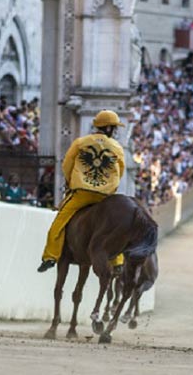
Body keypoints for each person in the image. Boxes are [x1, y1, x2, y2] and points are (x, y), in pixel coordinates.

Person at [37, 110, 126, 272]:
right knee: (114, 225)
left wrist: (72, 183)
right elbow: (120, 170)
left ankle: (50, 256)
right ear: (107, 128)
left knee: (60, 221)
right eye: (113, 128)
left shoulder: (80, 142)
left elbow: (67, 165)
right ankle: (118, 260)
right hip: (104, 196)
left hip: (82, 193)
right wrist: (110, 187)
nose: (114, 131)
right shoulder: (116, 147)